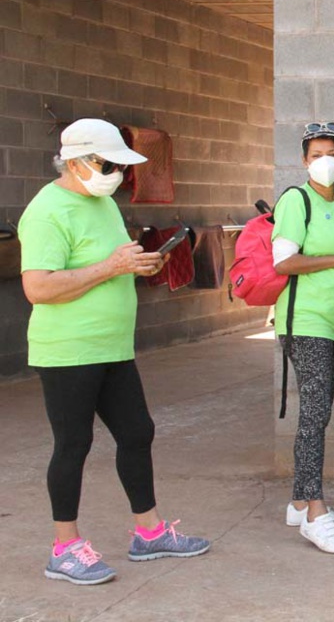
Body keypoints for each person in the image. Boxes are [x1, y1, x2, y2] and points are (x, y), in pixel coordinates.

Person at [19, 118, 210, 586]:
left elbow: (112, 263)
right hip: (68, 350)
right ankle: (64, 548)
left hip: (112, 346)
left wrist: (139, 263)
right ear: (77, 161)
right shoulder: (46, 211)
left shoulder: (102, 202)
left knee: (137, 431)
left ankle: (149, 533)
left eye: (121, 168)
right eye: (108, 165)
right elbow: (38, 288)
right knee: (74, 444)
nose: (117, 176)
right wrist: (111, 266)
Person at [272, 122, 334, 554]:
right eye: (315, 155)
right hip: (305, 322)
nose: (324, 161)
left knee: (319, 414)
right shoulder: (297, 200)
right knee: (312, 416)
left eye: (332, 154)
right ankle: (315, 513)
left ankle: (297, 503)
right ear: (304, 161)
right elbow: (284, 263)